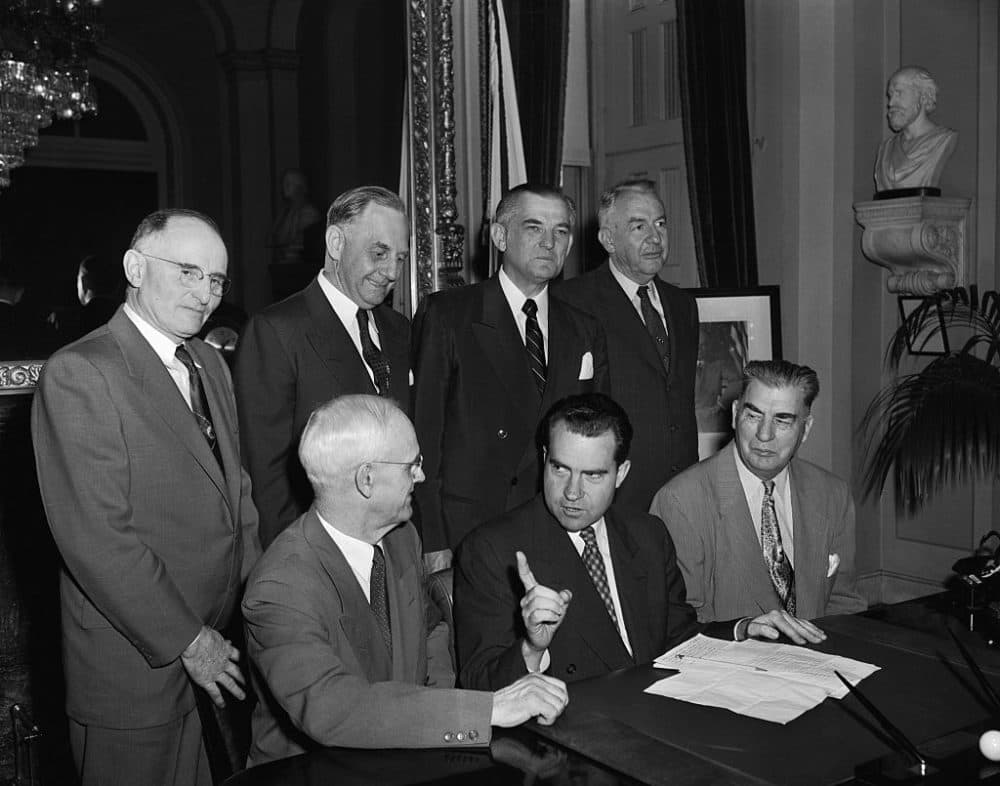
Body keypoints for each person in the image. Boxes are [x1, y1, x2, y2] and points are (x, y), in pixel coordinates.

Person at [31, 209, 261, 786]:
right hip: (136, 666)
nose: (205, 293)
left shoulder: (210, 362)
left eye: (216, 279)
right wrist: (189, 640)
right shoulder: (82, 371)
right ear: (135, 267)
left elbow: (238, 494)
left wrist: (260, 606)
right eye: (187, 271)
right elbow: (98, 540)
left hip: (219, 654)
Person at [242, 395, 569, 765]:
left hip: (404, 758)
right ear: (367, 480)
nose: (422, 476)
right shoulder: (280, 586)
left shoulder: (400, 537)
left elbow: (431, 631)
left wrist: (438, 717)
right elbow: (330, 708)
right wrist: (484, 710)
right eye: (411, 465)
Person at [455, 393, 825, 690]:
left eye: (594, 475)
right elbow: (476, 687)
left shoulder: (647, 535)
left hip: (653, 723)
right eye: (560, 468)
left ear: (621, 474)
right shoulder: (492, 550)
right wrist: (532, 647)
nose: (572, 491)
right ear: (543, 459)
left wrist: (741, 629)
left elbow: (677, 638)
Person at [412, 184, 609, 567]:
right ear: (500, 236)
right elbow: (424, 439)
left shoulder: (584, 328)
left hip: (559, 525)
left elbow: (598, 436)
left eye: (561, 232)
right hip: (471, 530)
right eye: (534, 228)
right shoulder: (449, 316)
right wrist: (433, 539)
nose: (549, 243)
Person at [235, 185, 412, 549]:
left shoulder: (400, 330)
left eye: (400, 258)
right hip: (317, 553)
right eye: (379, 253)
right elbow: (266, 475)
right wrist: (298, 559)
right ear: (335, 243)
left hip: (393, 548)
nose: (391, 272)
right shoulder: (277, 331)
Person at [651, 360, 867, 623]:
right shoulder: (681, 501)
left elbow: (844, 605)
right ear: (734, 414)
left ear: (806, 429)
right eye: (753, 416)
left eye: (782, 421)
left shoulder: (833, 495)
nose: (765, 435)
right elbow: (680, 627)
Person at [555, 180, 698, 512]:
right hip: (615, 497)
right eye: (639, 226)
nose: (655, 237)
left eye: (660, 224)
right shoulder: (572, 302)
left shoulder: (683, 306)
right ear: (608, 239)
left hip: (684, 493)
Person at [874, 66, 957, 193]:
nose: (891, 103)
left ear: (923, 96)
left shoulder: (941, 140)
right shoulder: (886, 149)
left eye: (899, 93)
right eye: (890, 95)